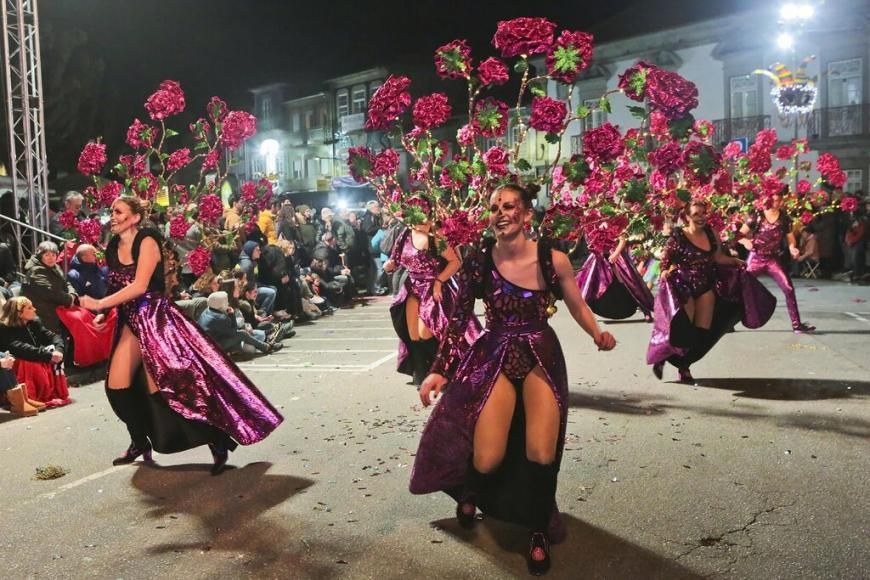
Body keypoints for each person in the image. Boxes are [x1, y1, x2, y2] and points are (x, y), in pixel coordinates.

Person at [409, 184, 617, 575]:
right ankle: (472, 488)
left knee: (541, 452)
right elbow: (457, 319)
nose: (501, 213)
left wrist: (597, 332)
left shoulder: (552, 260)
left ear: (526, 216)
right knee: (487, 458)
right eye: (494, 207)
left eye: (509, 206)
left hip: (540, 353)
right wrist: (439, 367)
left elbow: (577, 303)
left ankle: (536, 532)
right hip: (496, 353)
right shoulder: (477, 260)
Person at [78, 196, 282, 475]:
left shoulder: (147, 240)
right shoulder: (113, 246)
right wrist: (105, 310)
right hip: (129, 319)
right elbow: (115, 283)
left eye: (118, 211)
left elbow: (140, 286)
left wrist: (99, 304)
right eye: (111, 211)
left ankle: (217, 438)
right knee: (116, 388)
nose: (111, 216)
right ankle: (139, 441)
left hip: (153, 317)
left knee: (170, 387)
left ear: (135, 217)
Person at [648, 199, 776, 383]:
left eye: (703, 213)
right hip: (683, 286)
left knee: (702, 334)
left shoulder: (711, 233)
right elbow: (665, 262)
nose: (701, 217)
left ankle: (684, 365)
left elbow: (717, 257)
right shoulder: (677, 237)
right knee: (683, 328)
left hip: (705, 286)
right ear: (686, 217)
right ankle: (665, 357)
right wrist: (664, 272)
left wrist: (734, 262)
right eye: (696, 214)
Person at [383, 203, 481, 386]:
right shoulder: (405, 234)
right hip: (411, 287)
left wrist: (439, 281)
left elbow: (455, 262)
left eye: (424, 217)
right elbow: (395, 260)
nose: (421, 222)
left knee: (425, 333)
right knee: (412, 335)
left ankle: (442, 372)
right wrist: (389, 266)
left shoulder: (436, 236)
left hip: (432, 289)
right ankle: (421, 374)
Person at [738, 192, 815, 332]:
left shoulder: (785, 218)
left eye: (779, 200)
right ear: (767, 200)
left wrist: (792, 248)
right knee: (739, 287)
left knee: (788, 288)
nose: (777, 203)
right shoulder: (756, 216)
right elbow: (739, 234)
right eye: (774, 200)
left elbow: (790, 238)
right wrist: (745, 242)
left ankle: (797, 324)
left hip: (772, 259)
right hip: (756, 257)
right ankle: (728, 323)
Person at [0, 297, 70, 408]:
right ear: (19, 313)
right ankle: (24, 398)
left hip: (36, 354)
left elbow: (53, 337)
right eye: (29, 308)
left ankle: (53, 393)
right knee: (30, 364)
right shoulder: (4, 328)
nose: (34, 309)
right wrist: (47, 355)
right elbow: (19, 348)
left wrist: (58, 350)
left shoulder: (34, 322)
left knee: (53, 355)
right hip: (15, 362)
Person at [575, 235, 654, 322]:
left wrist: (616, 254)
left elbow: (622, 240)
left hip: (616, 257)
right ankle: (586, 313)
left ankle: (645, 310)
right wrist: (592, 247)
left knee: (630, 284)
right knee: (590, 283)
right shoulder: (593, 225)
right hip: (599, 257)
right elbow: (591, 242)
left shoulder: (613, 222)